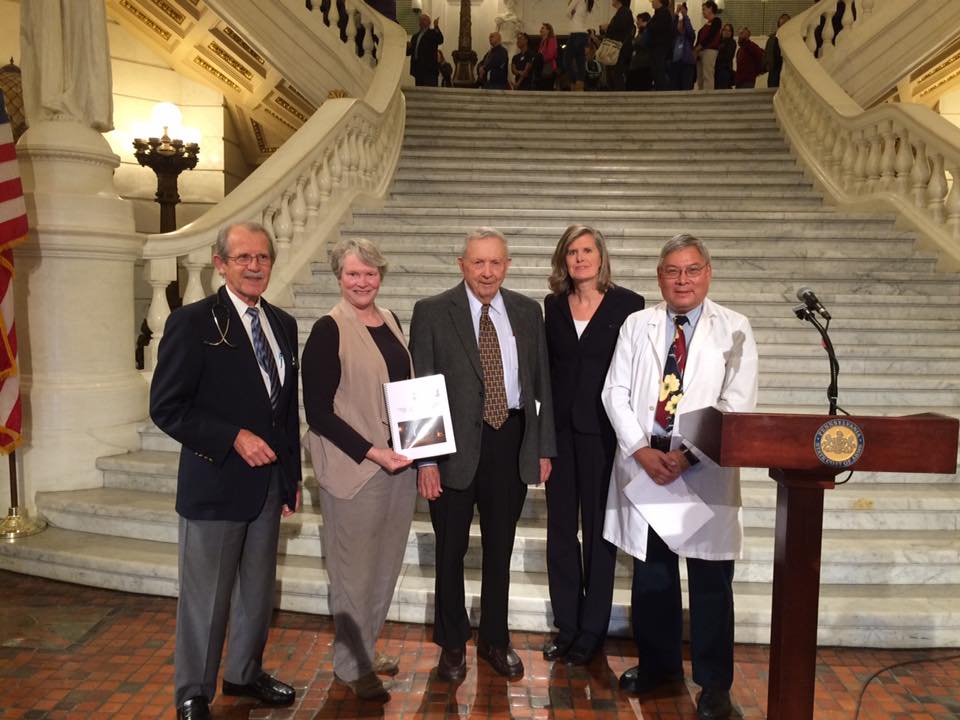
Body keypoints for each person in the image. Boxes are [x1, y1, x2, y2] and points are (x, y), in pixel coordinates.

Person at [601, 234, 758, 720]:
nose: (682, 280)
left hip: (702, 469)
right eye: (672, 271)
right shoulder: (638, 324)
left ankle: (714, 684)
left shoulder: (734, 327)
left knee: (711, 583)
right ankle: (659, 666)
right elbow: (614, 391)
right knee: (653, 577)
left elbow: (736, 402)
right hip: (648, 464)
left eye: (691, 270)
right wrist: (641, 450)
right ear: (659, 277)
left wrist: (688, 456)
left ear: (707, 273)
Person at [150, 222, 302, 720]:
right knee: (206, 598)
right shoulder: (192, 322)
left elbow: (285, 410)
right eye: (243, 258)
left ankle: (243, 673)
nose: (255, 267)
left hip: (268, 485)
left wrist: (292, 478)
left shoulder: (282, 323)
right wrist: (232, 436)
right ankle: (192, 691)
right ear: (220, 264)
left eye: (262, 258)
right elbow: (167, 408)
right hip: (215, 483)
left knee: (257, 591)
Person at [409, 228, 556, 682]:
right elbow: (419, 388)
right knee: (450, 551)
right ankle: (452, 645)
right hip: (450, 448)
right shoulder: (432, 312)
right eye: (478, 262)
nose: (487, 272)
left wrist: (542, 447)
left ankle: (495, 638)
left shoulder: (528, 312)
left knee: (500, 549)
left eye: (496, 262)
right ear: (462, 265)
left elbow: (541, 383)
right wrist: (425, 460)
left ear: (507, 265)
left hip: (509, 442)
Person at [300, 238, 416, 702]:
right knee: (353, 573)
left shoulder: (391, 320)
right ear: (339, 277)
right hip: (355, 469)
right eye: (353, 274)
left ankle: (364, 648)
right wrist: (373, 452)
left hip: (398, 466)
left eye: (369, 273)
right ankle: (351, 666)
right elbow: (319, 413)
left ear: (380, 276)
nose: (362, 282)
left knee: (385, 566)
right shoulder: (328, 329)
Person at [542, 225, 644, 666]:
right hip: (561, 435)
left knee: (601, 533)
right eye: (572, 252)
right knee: (561, 532)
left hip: (605, 435)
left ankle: (592, 630)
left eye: (587, 250)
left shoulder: (629, 305)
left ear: (601, 256)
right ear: (562, 260)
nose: (580, 258)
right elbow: (546, 373)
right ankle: (566, 625)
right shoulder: (552, 306)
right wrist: (542, 438)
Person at [600, 0, 634, 91]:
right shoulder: (622, 12)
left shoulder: (625, 11)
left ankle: (618, 94)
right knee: (612, 73)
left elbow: (620, 27)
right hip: (618, 47)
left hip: (619, 47)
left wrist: (608, 27)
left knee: (616, 72)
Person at [407, 13, 444, 87]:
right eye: (420, 20)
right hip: (418, 70)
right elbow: (411, 52)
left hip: (430, 70)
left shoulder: (432, 33)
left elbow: (440, 40)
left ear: (429, 22)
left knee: (430, 92)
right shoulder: (415, 36)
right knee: (418, 91)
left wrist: (436, 27)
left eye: (424, 20)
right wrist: (407, 47)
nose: (421, 22)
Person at [566, 0, 596, 90]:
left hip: (575, 33)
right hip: (583, 34)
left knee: (567, 60)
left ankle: (573, 83)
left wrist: (572, 13)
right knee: (580, 61)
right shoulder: (588, 2)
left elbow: (567, 12)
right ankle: (580, 84)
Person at [646, 0, 674, 91]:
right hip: (656, 46)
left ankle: (661, 90)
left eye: (654, 0)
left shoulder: (664, 12)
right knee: (655, 70)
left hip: (660, 46)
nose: (652, 2)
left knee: (659, 69)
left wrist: (649, 25)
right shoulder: (658, 13)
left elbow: (657, 27)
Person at [694, 0, 722, 90]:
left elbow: (711, 35)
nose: (702, 12)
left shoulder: (717, 21)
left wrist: (699, 46)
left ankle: (708, 95)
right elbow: (699, 39)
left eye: (704, 9)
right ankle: (701, 93)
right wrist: (695, 50)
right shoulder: (705, 25)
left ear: (710, 9)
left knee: (707, 74)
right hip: (701, 51)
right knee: (700, 77)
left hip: (710, 50)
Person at [670, 2, 696, 91]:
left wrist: (685, 15)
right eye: (679, 22)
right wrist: (676, 13)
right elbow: (672, 27)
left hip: (687, 64)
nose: (679, 24)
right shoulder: (674, 37)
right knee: (675, 88)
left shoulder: (689, 37)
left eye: (681, 23)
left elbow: (689, 29)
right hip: (675, 64)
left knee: (686, 87)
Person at [626, 12, 652, 91]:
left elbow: (640, 43)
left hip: (642, 64)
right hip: (637, 63)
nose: (637, 22)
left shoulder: (647, 32)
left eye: (639, 20)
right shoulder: (640, 32)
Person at [764, 13, 790, 88]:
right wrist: (767, 65)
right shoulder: (772, 39)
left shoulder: (792, 39)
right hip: (774, 72)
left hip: (786, 72)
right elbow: (767, 53)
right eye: (782, 24)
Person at [714, 23, 736, 90]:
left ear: (731, 33)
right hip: (716, 70)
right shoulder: (718, 42)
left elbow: (727, 56)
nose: (727, 32)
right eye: (725, 30)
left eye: (729, 30)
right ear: (722, 31)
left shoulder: (732, 42)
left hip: (725, 70)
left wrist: (715, 57)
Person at [538, 23, 559, 90]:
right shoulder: (543, 42)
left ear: (548, 30)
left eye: (543, 28)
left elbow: (550, 55)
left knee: (547, 87)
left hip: (549, 68)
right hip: (543, 68)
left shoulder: (551, 39)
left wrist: (541, 59)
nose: (540, 30)